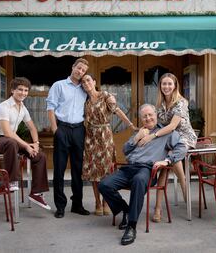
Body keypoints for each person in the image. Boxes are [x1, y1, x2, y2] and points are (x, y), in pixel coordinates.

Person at [98, 104, 187, 245]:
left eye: (150, 114)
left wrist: (167, 161)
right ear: (141, 119)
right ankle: (125, 210)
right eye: (144, 116)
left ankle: (131, 226)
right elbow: (125, 150)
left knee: (139, 180)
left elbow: (182, 147)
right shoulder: (140, 131)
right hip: (129, 168)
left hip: (146, 170)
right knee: (104, 185)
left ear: (156, 115)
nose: (148, 118)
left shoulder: (165, 132)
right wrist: (136, 138)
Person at [137, 72, 197, 222]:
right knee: (162, 165)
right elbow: (155, 123)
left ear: (175, 85)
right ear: (160, 86)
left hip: (183, 138)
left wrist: (152, 136)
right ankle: (161, 205)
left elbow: (172, 126)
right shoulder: (160, 104)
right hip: (167, 139)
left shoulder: (181, 102)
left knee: (168, 157)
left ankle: (161, 205)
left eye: (170, 83)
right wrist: (142, 133)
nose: (167, 86)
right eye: (164, 84)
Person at [0, 77, 51, 210]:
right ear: (12, 90)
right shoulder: (4, 106)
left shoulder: (23, 108)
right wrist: (27, 146)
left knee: (39, 155)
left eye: (26, 90)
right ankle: (11, 181)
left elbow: (32, 128)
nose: (23, 93)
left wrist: (35, 144)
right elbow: (7, 133)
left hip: (12, 142)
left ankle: (36, 193)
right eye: (20, 90)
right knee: (11, 143)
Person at [81, 74, 137, 216]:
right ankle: (97, 203)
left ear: (94, 82)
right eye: (83, 81)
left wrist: (131, 126)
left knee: (106, 169)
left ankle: (106, 201)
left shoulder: (105, 95)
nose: (86, 83)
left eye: (88, 80)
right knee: (94, 172)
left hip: (105, 136)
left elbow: (117, 111)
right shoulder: (85, 101)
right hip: (90, 138)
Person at [46, 58, 90, 218]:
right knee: (59, 169)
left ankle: (77, 204)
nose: (80, 72)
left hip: (79, 130)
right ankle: (60, 206)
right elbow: (50, 107)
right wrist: (55, 130)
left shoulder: (85, 88)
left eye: (83, 70)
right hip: (62, 129)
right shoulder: (59, 85)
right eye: (79, 68)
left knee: (78, 170)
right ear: (73, 67)